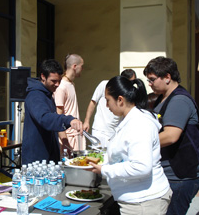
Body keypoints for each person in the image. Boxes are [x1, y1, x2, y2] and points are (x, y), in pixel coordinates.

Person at [89, 75, 172, 215]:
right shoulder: (129, 119)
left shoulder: (138, 124)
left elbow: (140, 167)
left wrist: (104, 170)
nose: (107, 106)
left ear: (120, 100)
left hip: (144, 202)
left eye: (108, 101)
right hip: (136, 198)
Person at [143, 56, 199, 215]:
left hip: (179, 176)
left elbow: (171, 136)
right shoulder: (164, 97)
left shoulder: (179, 100)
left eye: (152, 80)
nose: (150, 84)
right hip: (171, 174)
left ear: (167, 77)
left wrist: (139, 143)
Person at [22, 59, 83, 165]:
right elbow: (45, 118)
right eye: (53, 81)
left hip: (49, 156)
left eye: (59, 81)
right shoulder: (35, 95)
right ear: (43, 77)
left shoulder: (48, 94)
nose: (57, 84)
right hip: (36, 161)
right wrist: (69, 120)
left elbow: (53, 119)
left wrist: (64, 141)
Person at [83, 69, 136, 148]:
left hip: (115, 131)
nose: (107, 105)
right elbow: (93, 102)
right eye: (106, 100)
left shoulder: (130, 94)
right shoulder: (105, 85)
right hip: (100, 130)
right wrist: (86, 121)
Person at [54, 53, 85, 153]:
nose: (83, 69)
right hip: (68, 139)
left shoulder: (70, 83)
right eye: (82, 66)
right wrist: (65, 142)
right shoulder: (61, 87)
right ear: (74, 66)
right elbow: (58, 116)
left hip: (76, 136)